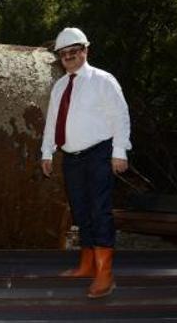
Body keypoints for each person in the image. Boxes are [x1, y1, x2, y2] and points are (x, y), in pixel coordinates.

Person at [40, 27, 131, 298]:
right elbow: (53, 121)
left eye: (73, 52)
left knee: (100, 210)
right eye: (63, 54)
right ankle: (87, 265)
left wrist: (120, 152)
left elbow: (121, 116)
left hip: (99, 154)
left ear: (85, 51)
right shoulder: (59, 86)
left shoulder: (103, 80)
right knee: (80, 210)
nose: (68, 57)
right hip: (72, 157)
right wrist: (47, 151)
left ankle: (106, 275)